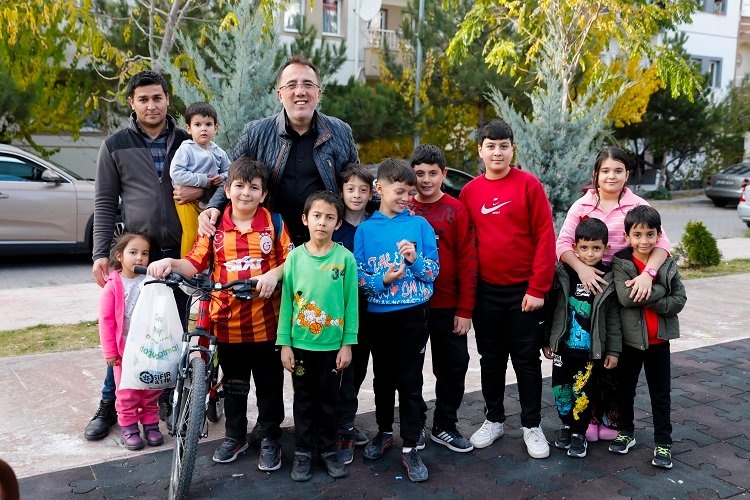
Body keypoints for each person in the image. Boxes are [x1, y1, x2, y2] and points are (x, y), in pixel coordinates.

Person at [147, 158, 292, 472]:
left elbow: (292, 260)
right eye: (239, 186)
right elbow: (194, 263)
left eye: (254, 187)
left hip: (267, 324)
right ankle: (235, 436)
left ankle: (270, 437)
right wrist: (169, 263)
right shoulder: (213, 228)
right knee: (235, 385)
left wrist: (274, 275)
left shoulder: (274, 223)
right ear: (227, 190)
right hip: (227, 324)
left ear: (264, 194)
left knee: (269, 387)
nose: (246, 193)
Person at [86, 70, 200, 441]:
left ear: (168, 99)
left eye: (157, 98)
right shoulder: (115, 145)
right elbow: (105, 202)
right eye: (143, 99)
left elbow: (217, 185)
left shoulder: (188, 141)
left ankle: (164, 400)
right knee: (128, 334)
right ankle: (110, 403)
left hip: (179, 254)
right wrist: (101, 254)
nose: (152, 105)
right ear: (132, 103)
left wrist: (198, 194)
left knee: (172, 332)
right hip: (137, 261)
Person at [555, 146, 671, 441]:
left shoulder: (637, 205)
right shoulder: (582, 205)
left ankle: (611, 416)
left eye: (618, 170)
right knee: (590, 356)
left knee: (615, 355)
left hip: (623, 289)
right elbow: (563, 244)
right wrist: (582, 269)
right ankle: (588, 416)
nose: (611, 176)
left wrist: (648, 274)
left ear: (627, 174)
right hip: (588, 287)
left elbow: (663, 244)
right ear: (596, 174)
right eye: (605, 171)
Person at [459, 119, 555, 459]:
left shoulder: (529, 185)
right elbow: (465, 245)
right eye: (490, 146)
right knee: (491, 359)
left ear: (513, 149)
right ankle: (494, 419)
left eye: (503, 146)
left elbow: (545, 237)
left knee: (526, 360)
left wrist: (538, 288)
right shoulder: (470, 192)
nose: (497, 152)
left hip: (524, 293)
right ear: (480, 151)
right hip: (486, 293)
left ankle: (532, 425)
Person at [198, 55, 359, 247]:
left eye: (308, 84)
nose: (300, 91)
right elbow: (232, 176)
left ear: (318, 93)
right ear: (279, 95)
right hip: (270, 241)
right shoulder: (256, 132)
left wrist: (388, 206)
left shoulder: (340, 131)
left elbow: (357, 180)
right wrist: (214, 206)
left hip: (326, 242)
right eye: (291, 85)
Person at [354, 158, 439, 483]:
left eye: (409, 192)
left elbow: (433, 272)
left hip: (413, 316)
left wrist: (415, 260)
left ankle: (411, 445)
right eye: (400, 191)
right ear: (380, 188)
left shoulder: (420, 226)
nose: (406, 198)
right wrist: (383, 280)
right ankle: (384, 431)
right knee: (382, 379)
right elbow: (359, 277)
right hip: (379, 317)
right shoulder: (365, 230)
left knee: (410, 380)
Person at [277, 190, 359, 481]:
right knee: (304, 400)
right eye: (317, 216)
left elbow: (351, 304)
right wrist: (284, 343)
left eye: (329, 217)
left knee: (329, 400)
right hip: (301, 346)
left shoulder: (346, 259)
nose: (322, 222)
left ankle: (328, 450)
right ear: (305, 219)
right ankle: (302, 452)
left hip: (332, 348)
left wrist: (347, 344)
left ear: (338, 223)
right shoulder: (294, 259)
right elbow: (287, 302)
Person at [408, 144, 477, 453]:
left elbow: (468, 260)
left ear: (444, 174)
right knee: (410, 368)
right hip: (410, 305)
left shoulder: (456, 209)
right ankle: (415, 424)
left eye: (432, 173)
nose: (426, 180)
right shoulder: (404, 208)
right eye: (419, 173)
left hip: (447, 305)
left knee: (454, 365)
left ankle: (445, 425)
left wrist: (465, 309)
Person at [609, 205, 686, 469]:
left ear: (659, 234)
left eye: (650, 234)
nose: (644, 241)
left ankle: (663, 442)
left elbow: (679, 299)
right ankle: (626, 432)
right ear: (627, 237)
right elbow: (626, 297)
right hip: (630, 343)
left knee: (660, 395)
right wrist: (661, 288)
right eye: (638, 234)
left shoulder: (667, 262)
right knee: (624, 391)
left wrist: (654, 295)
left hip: (659, 343)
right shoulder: (621, 263)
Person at [542, 218, 621, 459]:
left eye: (596, 248)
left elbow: (613, 318)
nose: (589, 253)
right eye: (584, 248)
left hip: (590, 353)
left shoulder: (608, 278)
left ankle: (579, 432)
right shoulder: (563, 274)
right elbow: (550, 308)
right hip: (562, 350)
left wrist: (613, 351)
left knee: (584, 393)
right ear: (575, 247)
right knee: (561, 391)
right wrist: (546, 340)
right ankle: (566, 426)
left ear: (606, 248)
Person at [98, 232, 164, 451]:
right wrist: (110, 352)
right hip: (124, 350)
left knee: (150, 388)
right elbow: (106, 322)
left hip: (148, 347)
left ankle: (151, 424)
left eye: (145, 253)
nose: (139, 258)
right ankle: (129, 427)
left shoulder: (150, 282)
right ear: (119, 256)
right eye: (133, 252)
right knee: (127, 392)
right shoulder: (112, 286)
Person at [332, 164, 375, 464]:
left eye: (363, 190)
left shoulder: (376, 225)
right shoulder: (333, 227)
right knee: (339, 373)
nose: (357, 195)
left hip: (369, 312)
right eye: (350, 189)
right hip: (337, 314)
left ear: (371, 193)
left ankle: (346, 422)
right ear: (341, 192)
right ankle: (338, 426)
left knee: (357, 371)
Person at [170, 102, 231, 256]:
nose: (203, 129)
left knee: (209, 233)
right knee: (192, 233)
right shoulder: (186, 149)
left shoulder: (218, 151)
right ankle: (185, 265)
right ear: (188, 128)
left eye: (208, 124)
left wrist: (221, 177)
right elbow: (176, 173)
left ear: (215, 128)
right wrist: (203, 180)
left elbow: (230, 171)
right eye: (197, 125)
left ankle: (205, 265)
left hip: (208, 201)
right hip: (186, 201)